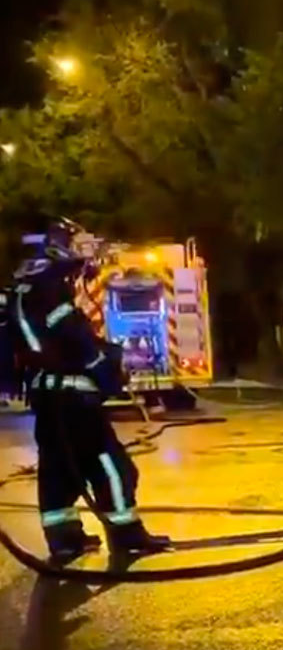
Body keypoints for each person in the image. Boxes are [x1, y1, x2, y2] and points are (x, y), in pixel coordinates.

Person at [4, 219, 170, 563]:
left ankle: (65, 540)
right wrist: (110, 368)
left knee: (58, 467)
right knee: (110, 462)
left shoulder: (24, 290)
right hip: (73, 397)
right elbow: (76, 340)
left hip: (46, 397)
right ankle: (126, 534)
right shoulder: (51, 292)